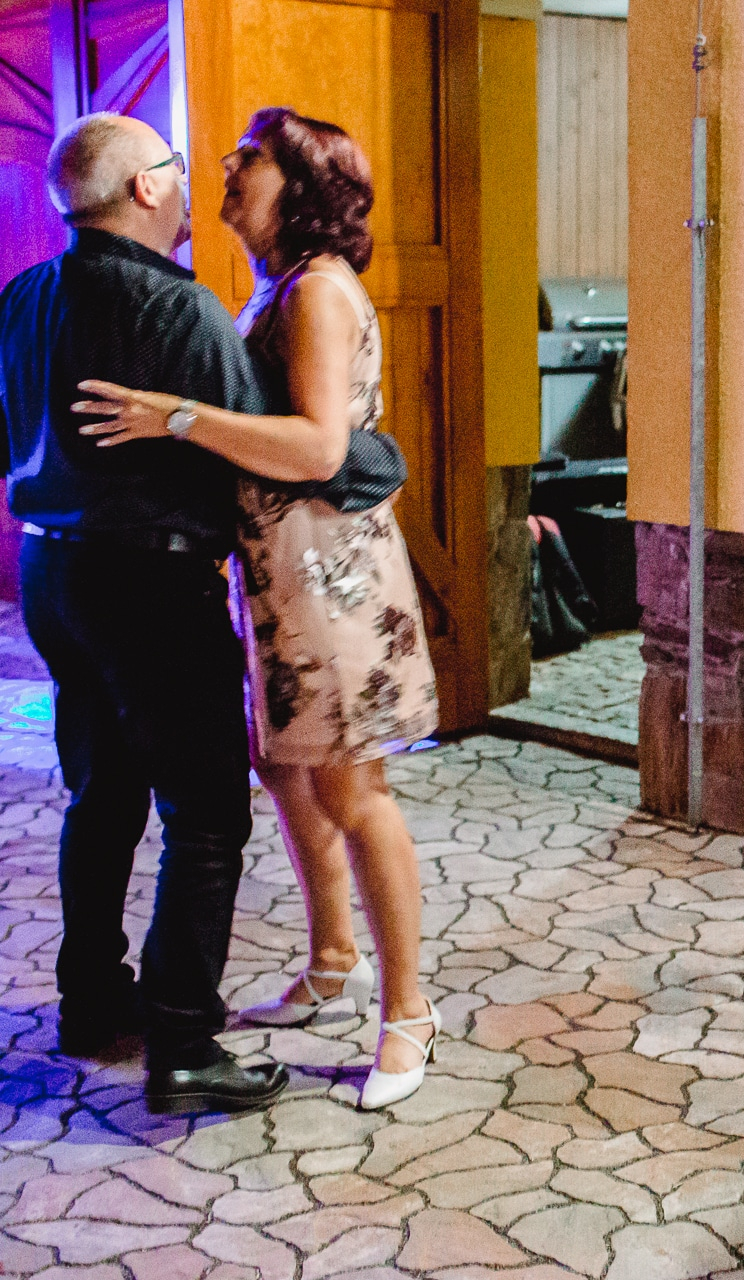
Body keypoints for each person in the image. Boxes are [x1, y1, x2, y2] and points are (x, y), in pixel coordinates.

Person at [75, 107, 440, 1111]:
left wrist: (174, 417)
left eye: (254, 157)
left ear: (303, 185)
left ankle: (407, 1011)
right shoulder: (277, 286)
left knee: (355, 791)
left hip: (331, 577)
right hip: (275, 572)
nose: (229, 166)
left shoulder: (317, 289)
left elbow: (321, 448)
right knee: (286, 770)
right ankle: (333, 958)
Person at [0, 112, 289, 1112]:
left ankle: (91, 1001)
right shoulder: (181, 307)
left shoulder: (23, 295)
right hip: (153, 581)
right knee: (206, 811)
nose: (188, 183)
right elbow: (262, 448)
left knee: (103, 795)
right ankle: (184, 1042)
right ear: (145, 188)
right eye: (175, 167)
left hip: (51, 570)